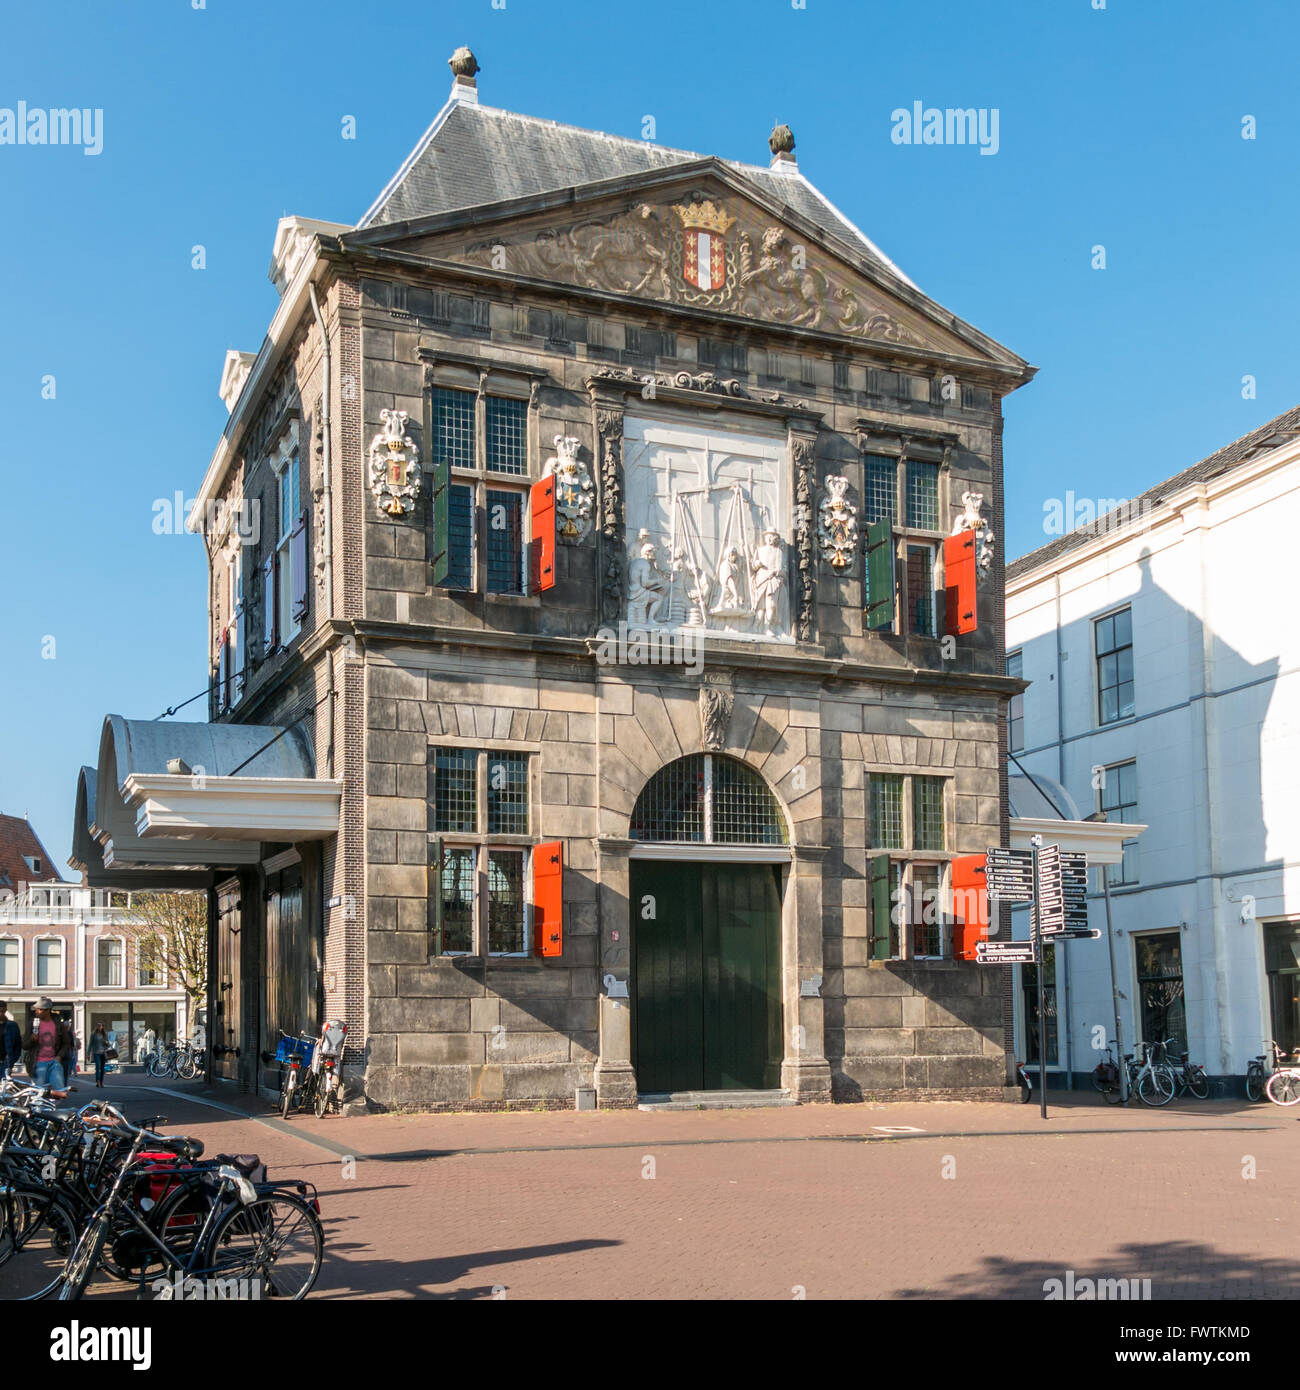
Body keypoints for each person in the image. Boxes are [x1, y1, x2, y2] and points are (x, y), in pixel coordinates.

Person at [24, 998, 71, 1097]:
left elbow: (66, 1043)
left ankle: (53, 1111)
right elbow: (24, 1046)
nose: (36, 1011)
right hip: (38, 1063)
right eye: (36, 1009)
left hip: (55, 1063)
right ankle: (40, 1112)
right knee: (40, 1094)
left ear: (47, 1010)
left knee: (60, 1093)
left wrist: (59, 1056)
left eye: (39, 1009)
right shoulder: (32, 1024)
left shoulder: (58, 1024)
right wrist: (32, 1040)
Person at [0, 1002, 21, 1081]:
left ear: (6, 1010)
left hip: (5, 1063)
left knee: (4, 1088)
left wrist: (11, 1061)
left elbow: (18, 1045)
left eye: (2, 1011)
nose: (1, 1014)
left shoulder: (13, 1025)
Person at [88, 1022, 110, 1088]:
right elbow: (90, 1044)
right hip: (96, 1053)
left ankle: (101, 1081)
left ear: (102, 1027)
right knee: (98, 1067)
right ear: (96, 1027)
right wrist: (88, 1054)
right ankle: (97, 1081)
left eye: (100, 1026)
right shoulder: (93, 1034)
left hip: (103, 1053)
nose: (99, 1027)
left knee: (103, 1068)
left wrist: (106, 1043)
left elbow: (108, 1044)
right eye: (98, 1026)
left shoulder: (105, 1034)